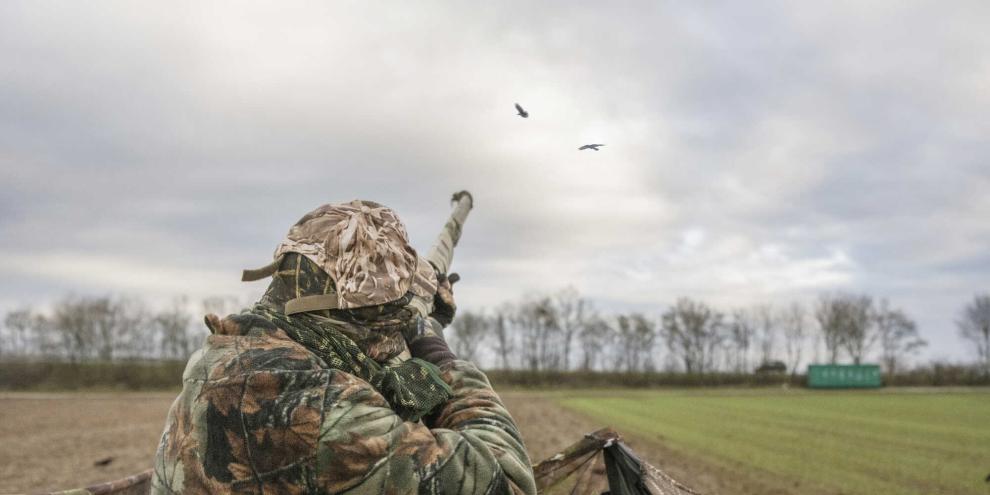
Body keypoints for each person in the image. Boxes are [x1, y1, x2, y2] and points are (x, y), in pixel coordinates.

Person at [151, 200, 536, 495]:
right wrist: (436, 351)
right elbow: (508, 481)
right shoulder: (319, 408)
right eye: (391, 312)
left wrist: (416, 332)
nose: (398, 324)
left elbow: (370, 378)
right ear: (358, 320)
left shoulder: (232, 353)